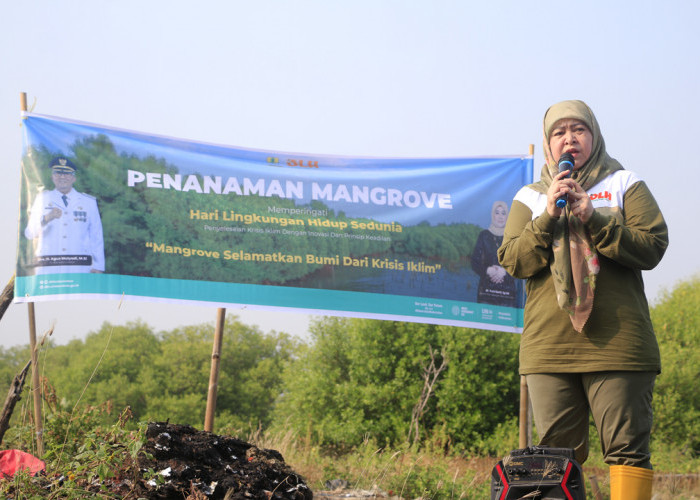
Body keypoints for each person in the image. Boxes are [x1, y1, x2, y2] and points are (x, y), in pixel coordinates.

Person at [497, 100, 668, 500]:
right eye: (559, 132)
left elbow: (653, 246)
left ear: (594, 135)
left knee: (627, 452)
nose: (569, 139)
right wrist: (547, 218)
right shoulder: (530, 196)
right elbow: (513, 260)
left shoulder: (625, 183)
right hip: (550, 349)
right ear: (547, 143)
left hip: (619, 344)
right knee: (554, 458)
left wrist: (595, 216)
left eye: (578, 130)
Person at [24, 156, 105, 274]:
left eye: (67, 173)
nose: (62, 177)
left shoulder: (88, 202)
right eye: (58, 173)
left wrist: (98, 266)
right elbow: (29, 234)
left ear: (74, 178)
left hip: (80, 268)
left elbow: (96, 236)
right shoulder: (42, 199)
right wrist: (47, 218)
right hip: (48, 268)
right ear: (52, 177)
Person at [470, 201, 516, 307]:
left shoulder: (513, 237)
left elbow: (520, 263)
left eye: (503, 213)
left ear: (507, 216)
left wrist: (504, 272)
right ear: (492, 215)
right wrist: (488, 270)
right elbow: (474, 262)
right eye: (497, 213)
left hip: (508, 295)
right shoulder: (484, 235)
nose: (500, 216)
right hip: (486, 293)